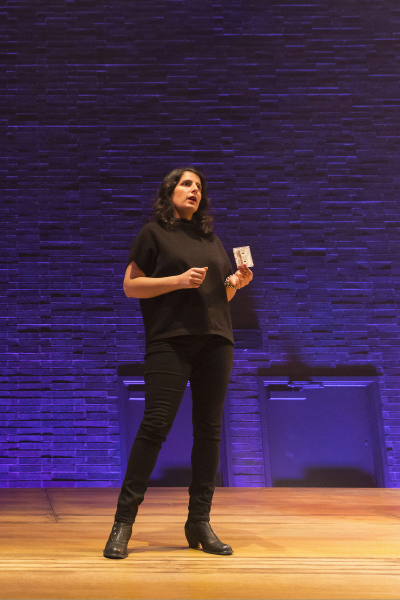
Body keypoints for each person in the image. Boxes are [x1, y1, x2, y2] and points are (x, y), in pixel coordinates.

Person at [104, 166, 253, 558]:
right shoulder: (153, 234)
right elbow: (130, 286)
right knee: (155, 426)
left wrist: (234, 284)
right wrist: (177, 280)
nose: (194, 191)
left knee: (210, 431)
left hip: (216, 340)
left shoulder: (211, 239)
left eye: (199, 187)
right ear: (169, 191)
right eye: (186, 184)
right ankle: (123, 523)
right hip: (170, 340)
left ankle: (199, 521)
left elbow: (220, 296)